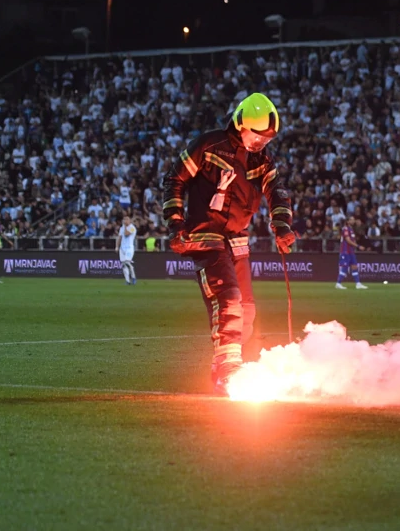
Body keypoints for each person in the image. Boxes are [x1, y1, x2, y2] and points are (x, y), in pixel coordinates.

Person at [162, 93, 295, 395]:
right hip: (205, 237)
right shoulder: (208, 145)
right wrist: (176, 222)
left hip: (237, 241)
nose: (261, 144)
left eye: (266, 140)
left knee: (246, 312)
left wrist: (283, 226)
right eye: (257, 137)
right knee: (230, 300)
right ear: (240, 124)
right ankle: (229, 371)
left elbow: (277, 191)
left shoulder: (261, 161)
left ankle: (220, 367)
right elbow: (174, 180)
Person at [336, 220, 368, 290]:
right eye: (351, 219)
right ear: (347, 221)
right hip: (345, 251)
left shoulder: (351, 229)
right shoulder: (345, 229)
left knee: (354, 266)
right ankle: (338, 283)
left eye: (353, 219)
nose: (353, 221)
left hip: (351, 252)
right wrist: (358, 246)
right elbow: (348, 240)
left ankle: (358, 284)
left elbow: (353, 240)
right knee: (344, 267)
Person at [118, 215, 138, 285]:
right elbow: (120, 237)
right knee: (123, 264)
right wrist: (117, 247)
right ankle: (127, 281)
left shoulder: (132, 228)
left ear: (130, 220)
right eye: (124, 219)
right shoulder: (121, 228)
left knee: (127, 262)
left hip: (129, 248)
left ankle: (133, 277)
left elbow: (126, 234)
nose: (125, 221)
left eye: (126, 219)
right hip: (122, 248)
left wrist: (126, 226)